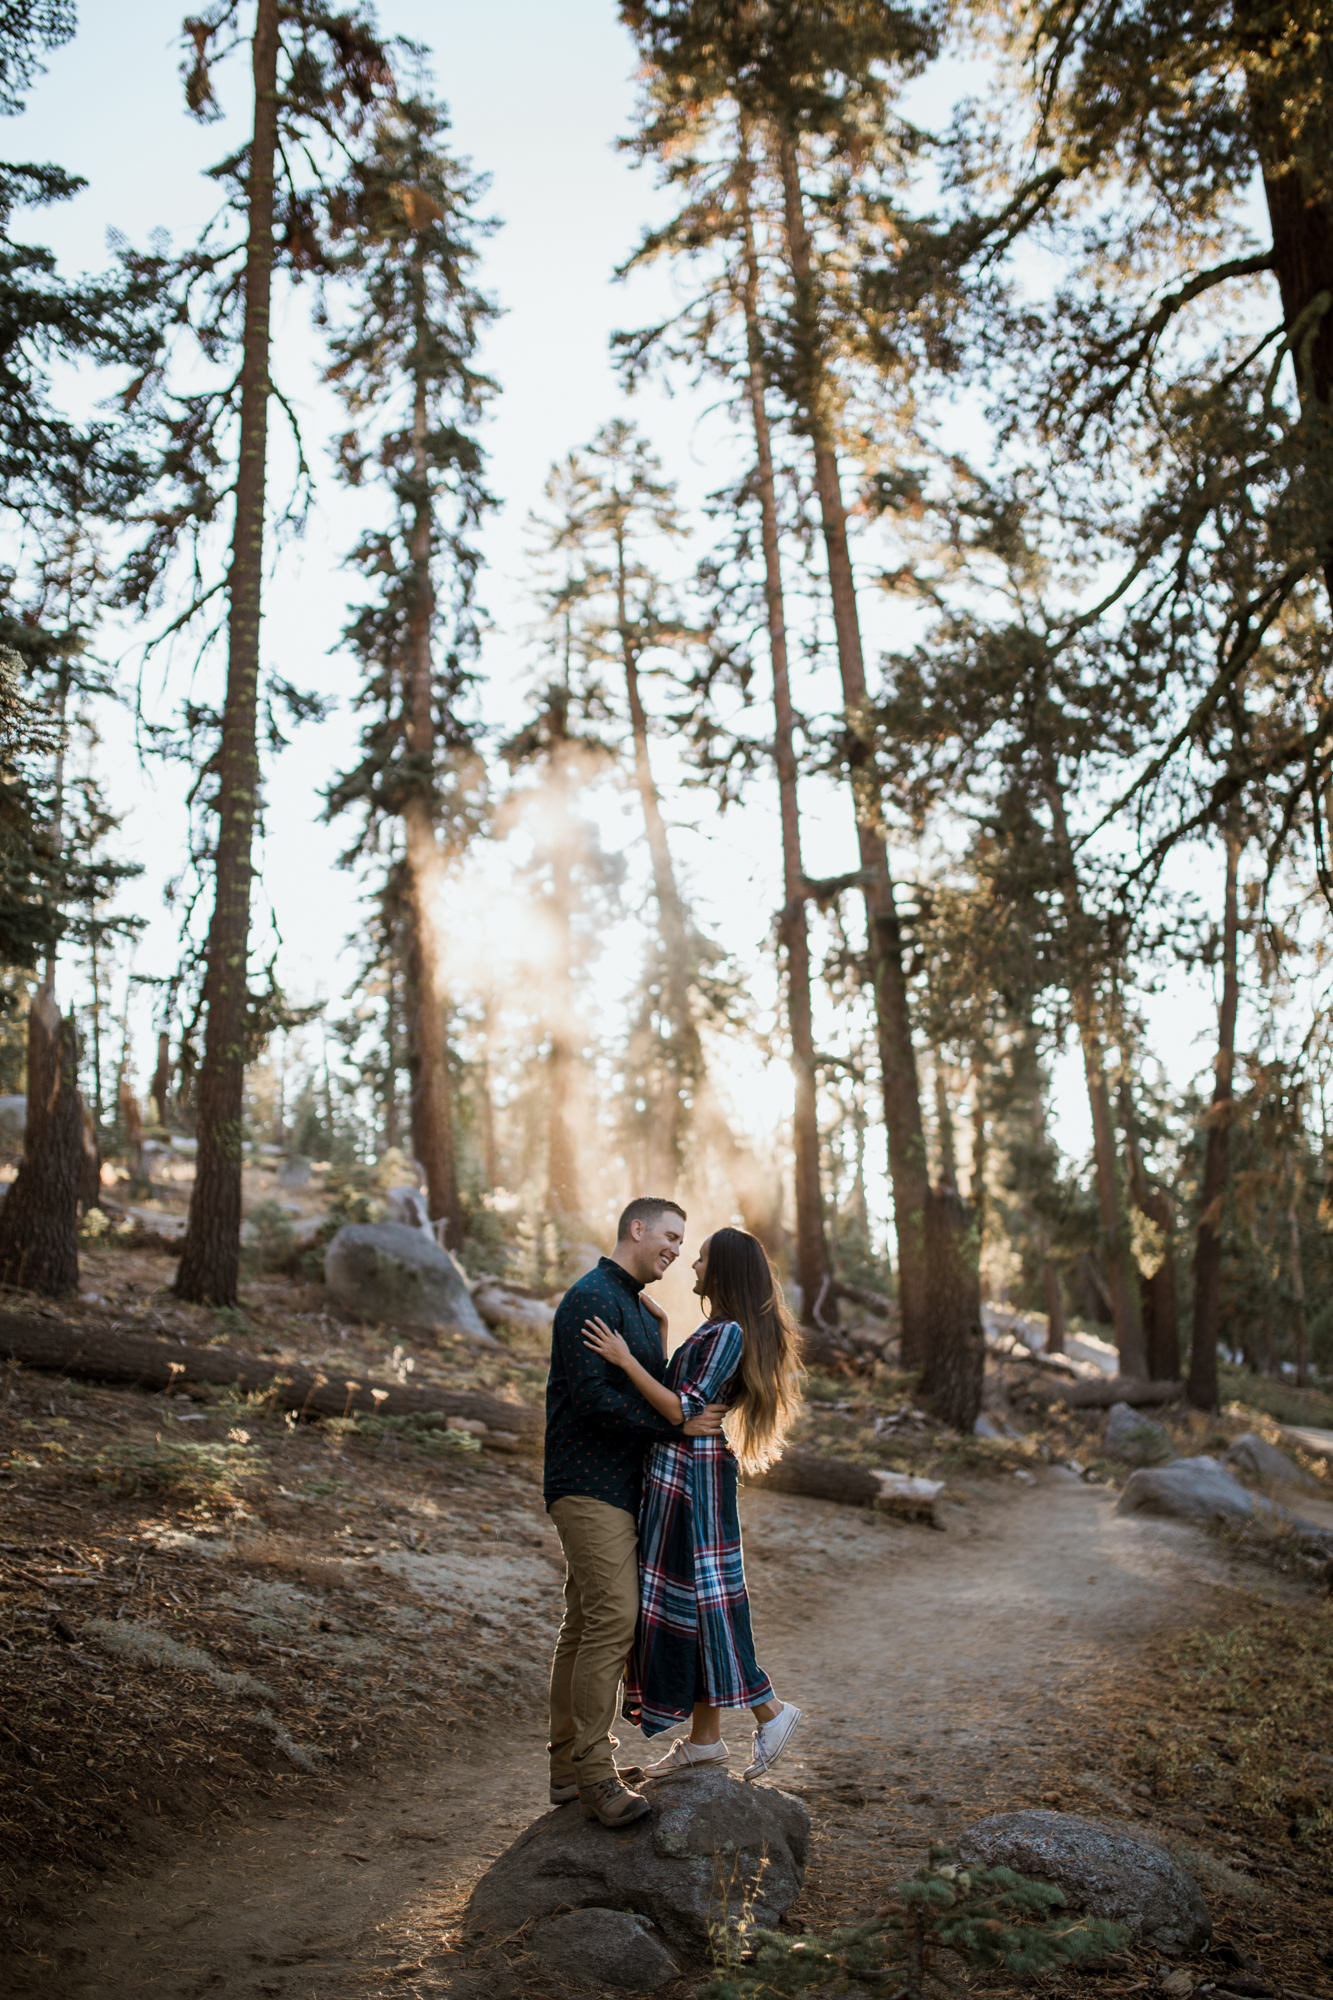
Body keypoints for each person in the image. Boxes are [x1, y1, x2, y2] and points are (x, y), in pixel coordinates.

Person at [582, 1225, 803, 1783]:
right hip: (680, 1475)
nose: (692, 1267)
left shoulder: (727, 1332)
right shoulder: (717, 1330)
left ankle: (770, 1711)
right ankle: (705, 1742)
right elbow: (682, 1405)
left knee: (707, 1604)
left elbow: (681, 1409)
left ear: (723, 1271)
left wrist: (627, 1360)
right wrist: (659, 1334)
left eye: (701, 1260)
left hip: (694, 1480)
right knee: (698, 1601)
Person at [544, 1197, 728, 1828]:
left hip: (624, 1490)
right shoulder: (592, 1297)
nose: (676, 1249)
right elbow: (594, 1401)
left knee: (584, 1623)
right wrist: (674, 1427)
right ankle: (595, 1774)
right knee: (613, 1621)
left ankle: (567, 1769)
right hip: (587, 1483)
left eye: (685, 1241)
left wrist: (658, 1348)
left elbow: (652, 1387)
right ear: (637, 1228)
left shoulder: (641, 1309)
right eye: (671, 1236)